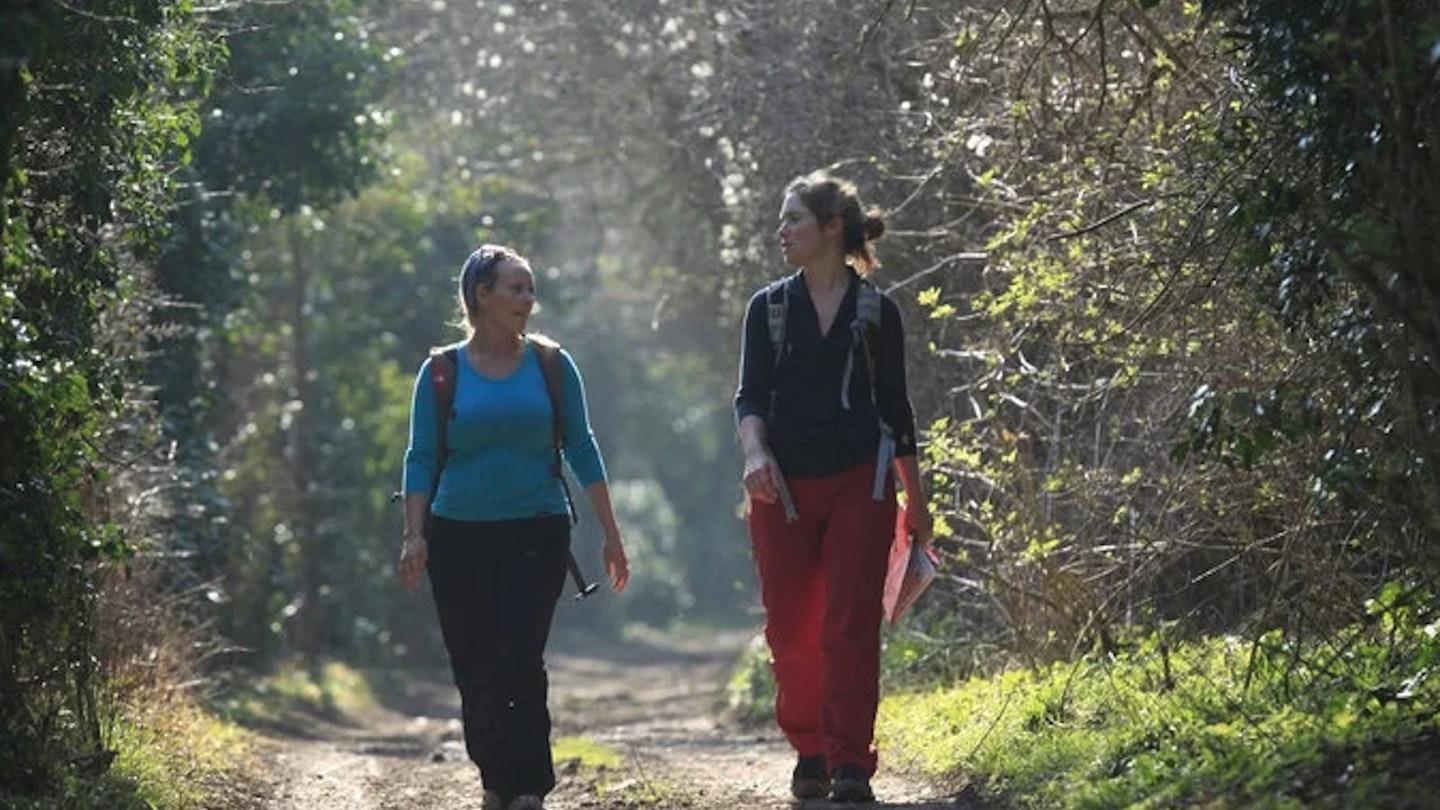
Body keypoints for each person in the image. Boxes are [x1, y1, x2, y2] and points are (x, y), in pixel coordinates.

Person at [398, 243, 630, 810]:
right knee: (473, 664)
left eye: (530, 289)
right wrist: (414, 534)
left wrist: (611, 532)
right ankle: (495, 779)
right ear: (482, 295)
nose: (528, 300)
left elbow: (582, 446)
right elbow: (421, 457)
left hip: (537, 529)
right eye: (515, 288)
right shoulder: (441, 373)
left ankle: (528, 785)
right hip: (457, 537)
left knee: (519, 655)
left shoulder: (551, 364)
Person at [734, 171, 933, 804]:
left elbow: (897, 414)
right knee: (791, 631)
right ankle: (810, 747)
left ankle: (849, 761)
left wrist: (917, 505)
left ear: (832, 229)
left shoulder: (879, 312)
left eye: (793, 218)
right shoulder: (766, 309)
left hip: (861, 483)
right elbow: (749, 399)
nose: (781, 230)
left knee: (849, 625)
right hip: (781, 491)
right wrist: (755, 455)